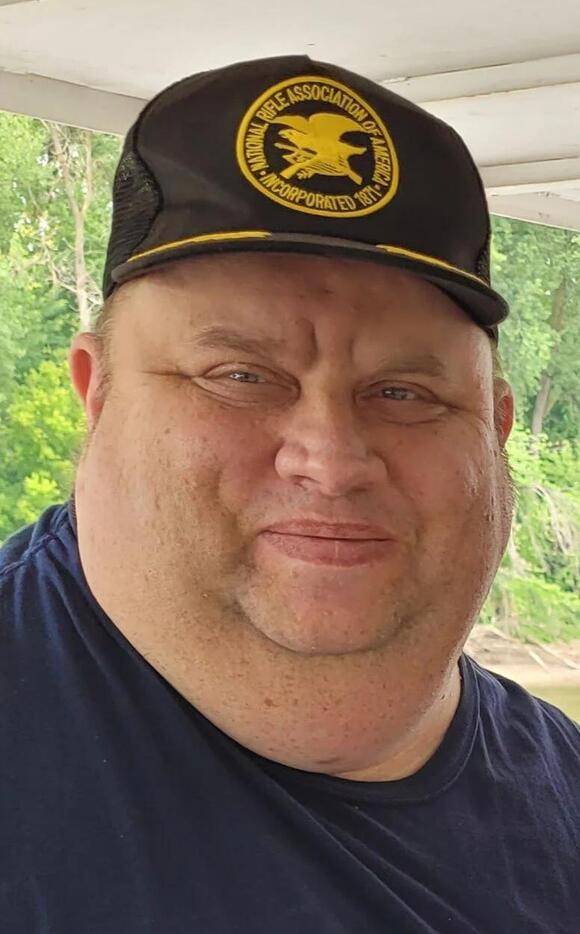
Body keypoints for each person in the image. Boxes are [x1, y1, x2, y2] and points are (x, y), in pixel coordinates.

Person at [1, 54, 578, 934]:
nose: (331, 460)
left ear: (495, 428)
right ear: (99, 393)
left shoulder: (563, 788)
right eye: (240, 375)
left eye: (404, 393)